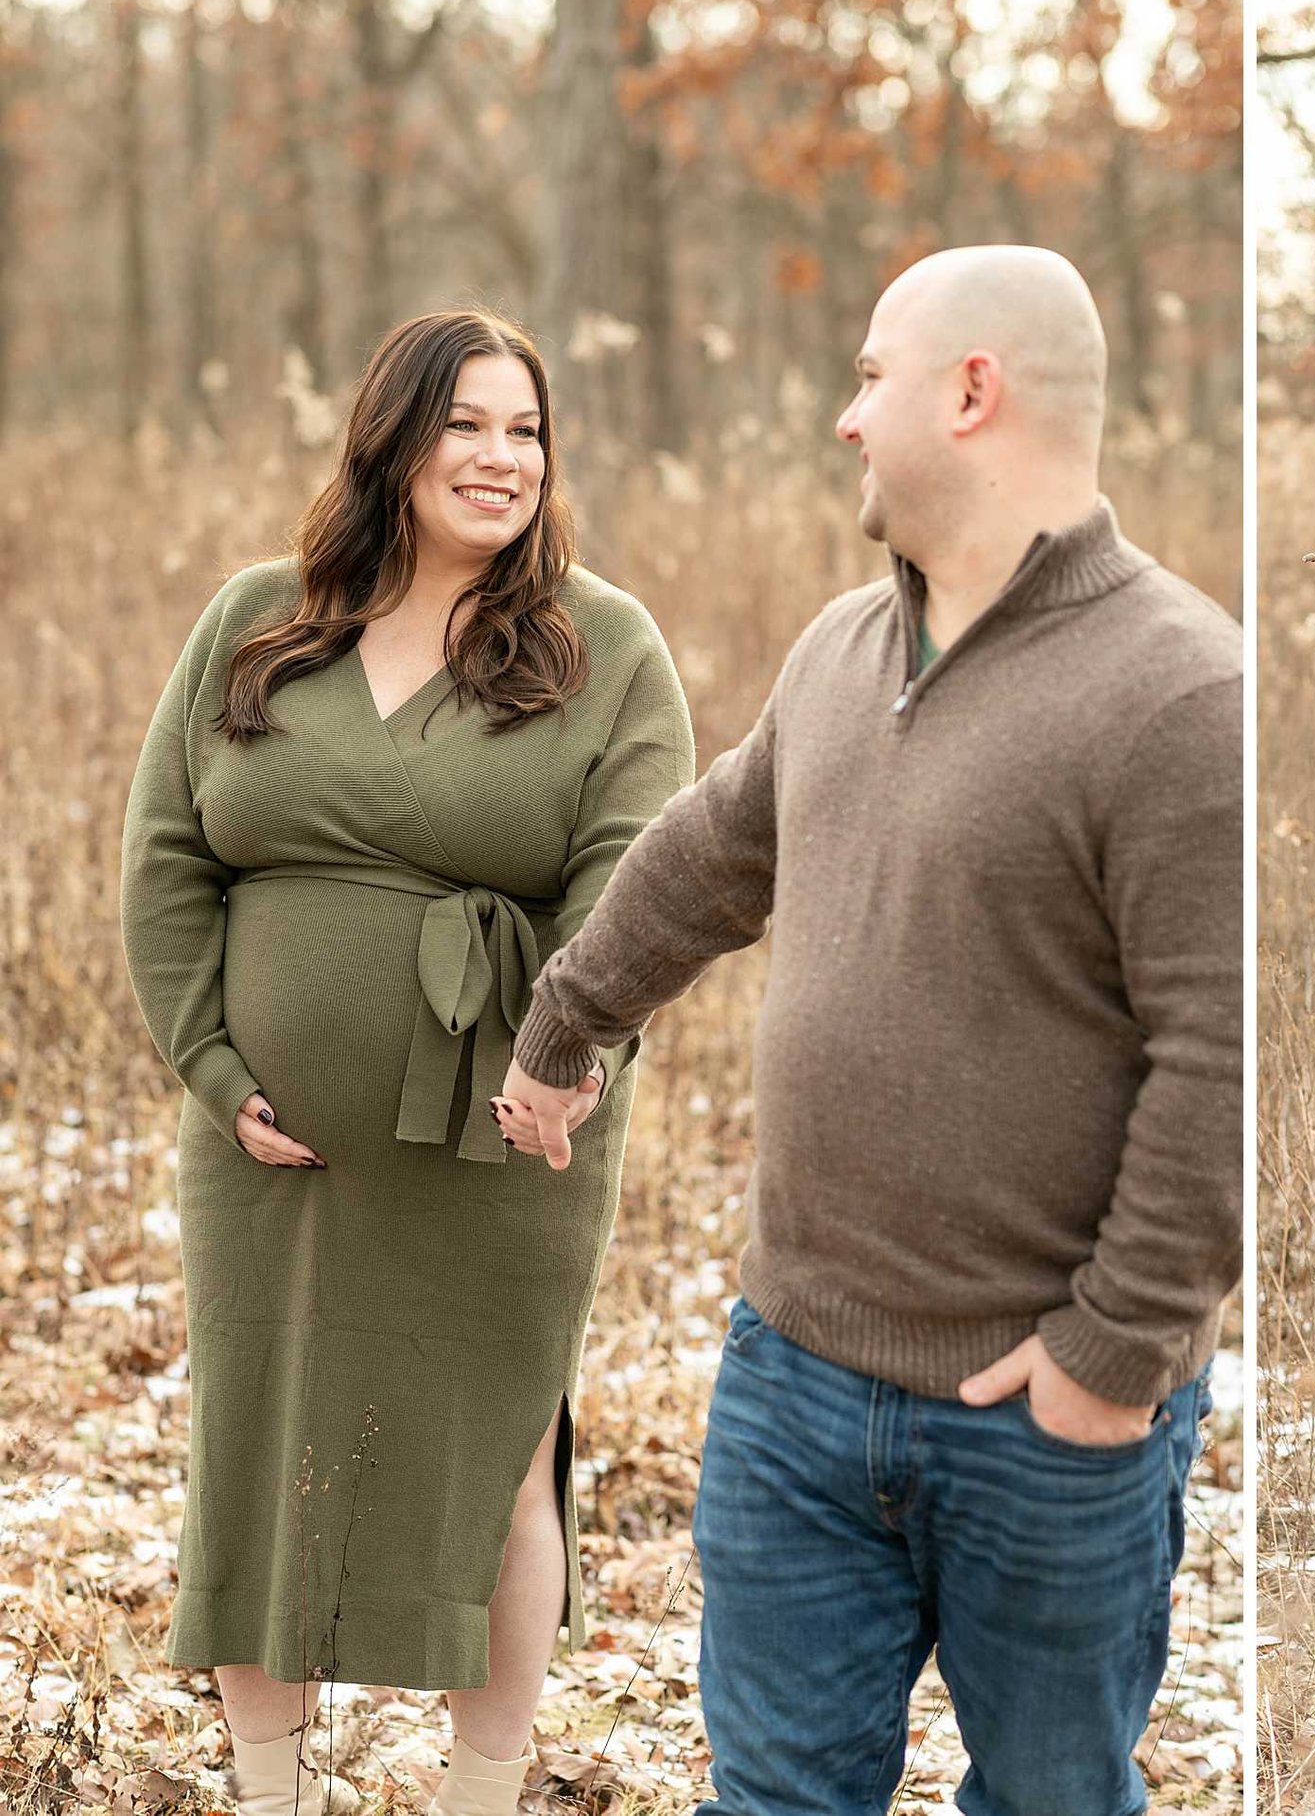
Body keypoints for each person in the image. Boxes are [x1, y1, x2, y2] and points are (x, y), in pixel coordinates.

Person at [493, 245, 1242, 1816]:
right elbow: (710, 855)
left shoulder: (1181, 692)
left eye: (868, 375)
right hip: (795, 1385)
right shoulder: (842, 649)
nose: (845, 418)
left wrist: (1111, 1357)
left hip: (1044, 1429)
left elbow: (1223, 1063)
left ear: (973, 391)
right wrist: (566, 1020)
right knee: (772, 1800)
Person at [118, 309, 696, 1816]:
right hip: (270, 1144)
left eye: (528, 430)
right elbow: (167, 857)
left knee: (494, 1454)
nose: (502, 459)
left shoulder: (602, 649)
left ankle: (479, 1796)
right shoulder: (258, 618)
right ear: (392, 438)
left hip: (497, 1139)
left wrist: (571, 1060)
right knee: (259, 1440)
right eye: (468, 426)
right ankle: (275, 1791)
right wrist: (212, 1061)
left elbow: (638, 882)